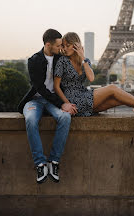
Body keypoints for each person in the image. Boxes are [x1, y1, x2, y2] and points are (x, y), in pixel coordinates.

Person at [54, 32, 134, 117]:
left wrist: (83, 58)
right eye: (63, 46)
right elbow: (57, 87)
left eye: (67, 45)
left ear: (76, 45)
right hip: (73, 100)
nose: (64, 49)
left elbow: (91, 78)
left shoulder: (83, 61)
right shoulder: (62, 61)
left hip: (84, 96)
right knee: (112, 88)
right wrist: (67, 103)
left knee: (118, 99)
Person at [18, 29, 78, 184]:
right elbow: (40, 89)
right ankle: (40, 163)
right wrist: (62, 104)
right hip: (35, 100)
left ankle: (53, 161)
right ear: (47, 44)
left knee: (65, 117)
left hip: (53, 101)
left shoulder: (61, 59)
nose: (61, 48)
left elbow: (75, 75)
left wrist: (81, 55)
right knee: (30, 119)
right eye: (58, 45)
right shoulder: (34, 60)